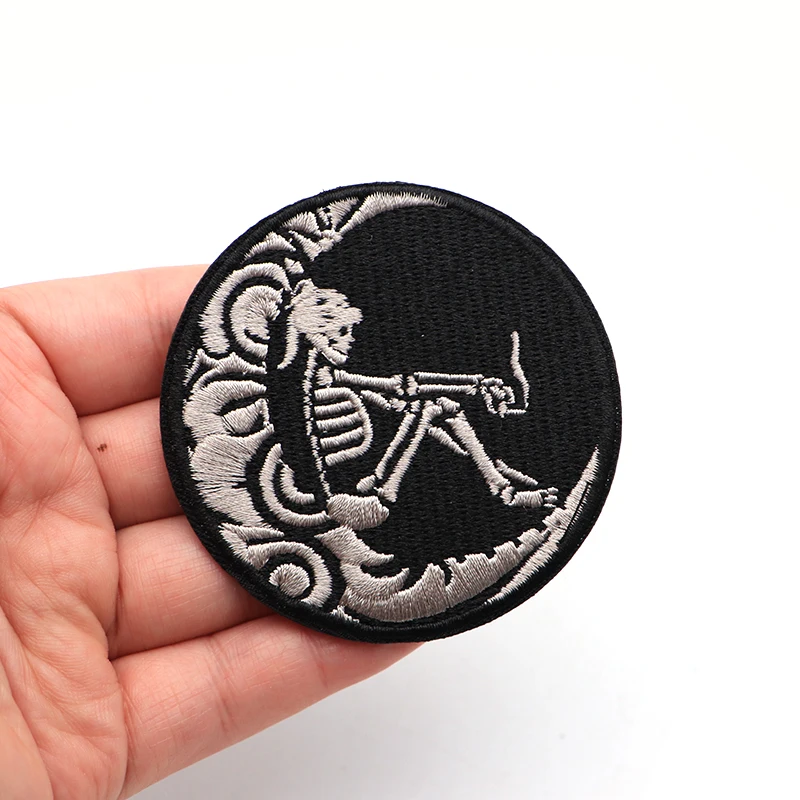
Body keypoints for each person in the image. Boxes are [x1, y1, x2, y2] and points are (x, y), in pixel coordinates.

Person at [0, 266, 418, 800]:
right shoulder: (294, 390)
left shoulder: (301, 374)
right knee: (420, 424)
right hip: (328, 504)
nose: (349, 343)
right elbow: (314, 485)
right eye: (340, 333)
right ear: (313, 330)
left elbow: (347, 389)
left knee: (423, 407)